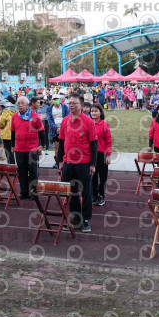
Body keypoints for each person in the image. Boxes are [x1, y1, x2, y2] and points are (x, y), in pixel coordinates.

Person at [57, 93, 98, 233]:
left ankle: (86, 219)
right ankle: (76, 218)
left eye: (74, 103)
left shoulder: (88, 121)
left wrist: (93, 164)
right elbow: (61, 141)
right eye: (69, 103)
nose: (71, 105)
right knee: (71, 192)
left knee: (86, 192)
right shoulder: (65, 120)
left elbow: (94, 143)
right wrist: (60, 161)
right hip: (68, 163)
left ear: (82, 105)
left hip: (84, 163)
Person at [10, 96, 45, 200]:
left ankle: (34, 192)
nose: (20, 105)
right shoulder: (14, 117)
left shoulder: (35, 116)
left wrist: (42, 145)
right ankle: (24, 192)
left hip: (32, 149)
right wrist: (12, 146)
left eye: (22, 103)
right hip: (19, 149)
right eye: (18, 103)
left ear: (28, 105)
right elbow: (13, 133)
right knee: (22, 172)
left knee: (33, 171)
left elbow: (42, 132)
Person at [90, 103, 112, 206]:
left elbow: (108, 141)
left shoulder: (104, 124)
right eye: (92, 111)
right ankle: (94, 196)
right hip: (90, 155)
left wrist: (108, 155)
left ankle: (101, 195)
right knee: (92, 176)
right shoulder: (88, 124)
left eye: (96, 111)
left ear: (100, 112)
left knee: (103, 177)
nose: (93, 113)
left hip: (101, 154)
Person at [47, 94, 69, 169]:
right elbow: (49, 119)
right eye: (54, 99)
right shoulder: (50, 108)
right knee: (57, 147)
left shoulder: (64, 107)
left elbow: (67, 116)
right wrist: (55, 128)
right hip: (54, 130)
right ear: (52, 100)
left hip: (64, 129)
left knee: (65, 146)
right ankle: (57, 161)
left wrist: (62, 127)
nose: (55, 100)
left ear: (60, 99)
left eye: (57, 99)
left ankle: (64, 161)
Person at [0, 99, 16, 164]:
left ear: (3, 106)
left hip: (6, 135)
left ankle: (10, 165)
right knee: (13, 150)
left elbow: (1, 123)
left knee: (8, 151)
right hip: (13, 134)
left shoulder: (5, 112)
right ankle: (14, 163)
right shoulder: (14, 112)